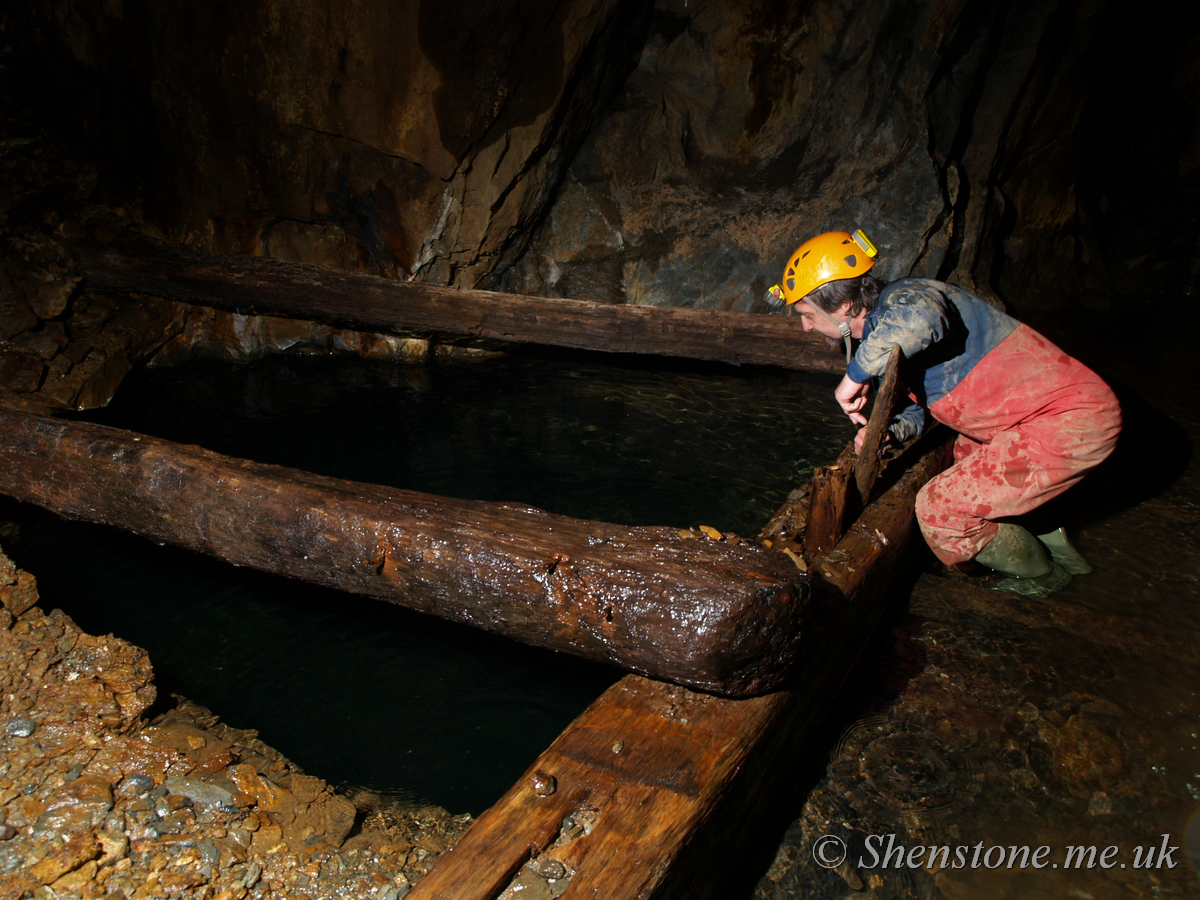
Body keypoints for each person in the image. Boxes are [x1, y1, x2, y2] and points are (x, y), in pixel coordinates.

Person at [767, 230, 1122, 595]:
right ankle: (1061, 553)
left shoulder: (909, 298)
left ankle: (1046, 581)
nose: (805, 326)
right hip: (1034, 418)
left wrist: (854, 375)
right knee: (964, 453)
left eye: (807, 314)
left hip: (1069, 418)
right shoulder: (881, 333)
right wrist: (887, 431)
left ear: (842, 305)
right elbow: (922, 407)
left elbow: (921, 318)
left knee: (941, 510)